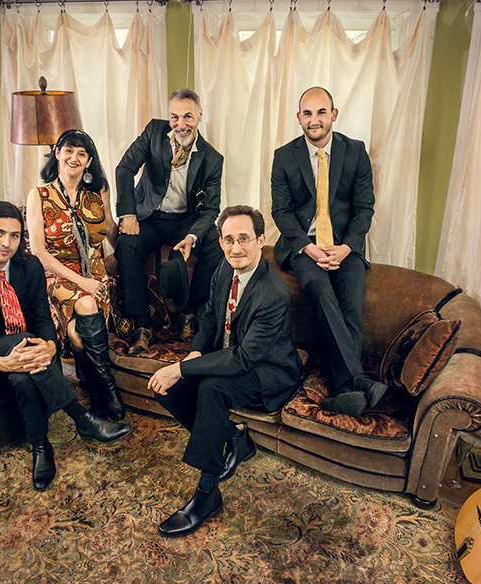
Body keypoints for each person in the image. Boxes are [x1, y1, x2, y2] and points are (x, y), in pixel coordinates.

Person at [0, 201, 132, 492]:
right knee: (21, 344)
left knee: (22, 375)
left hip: (30, 350)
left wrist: (50, 347)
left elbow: (43, 318)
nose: (7, 243)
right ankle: (83, 419)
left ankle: (41, 448)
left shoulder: (28, 266)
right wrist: (2, 362)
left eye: (15, 235)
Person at [149, 205, 302, 538]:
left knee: (210, 389)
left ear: (261, 240)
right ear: (220, 242)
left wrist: (182, 367)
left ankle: (207, 496)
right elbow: (209, 320)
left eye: (244, 239)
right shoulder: (224, 269)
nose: (236, 248)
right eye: (229, 240)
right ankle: (235, 438)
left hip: (270, 369)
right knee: (166, 388)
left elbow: (245, 358)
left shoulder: (273, 292)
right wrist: (194, 352)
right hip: (229, 356)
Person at [270, 86, 387, 418]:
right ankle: (357, 380)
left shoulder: (355, 152)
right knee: (319, 287)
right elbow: (282, 212)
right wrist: (309, 248)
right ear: (299, 118)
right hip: (303, 246)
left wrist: (346, 247)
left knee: (351, 299)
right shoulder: (284, 156)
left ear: (333, 114)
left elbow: (364, 207)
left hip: (345, 246)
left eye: (321, 112)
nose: (314, 120)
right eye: (307, 113)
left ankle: (343, 390)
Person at [25, 129, 126, 422]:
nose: (74, 158)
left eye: (82, 153)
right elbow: (39, 252)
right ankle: (109, 390)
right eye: (69, 150)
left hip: (95, 276)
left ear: (89, 160)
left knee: (78, 335)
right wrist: (82, 282)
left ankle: (94, 391)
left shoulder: (97, 194)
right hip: (58, 276)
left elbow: (110, 231)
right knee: (86, 304)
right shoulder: (39, 196)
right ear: (57, 153)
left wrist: (130, 257)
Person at [115, 88, 225, 355]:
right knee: (125, 246)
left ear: (200, 115)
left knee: (215, 244)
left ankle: (190, 312)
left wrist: (192, 236)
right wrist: (128, 214)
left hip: (184, 221)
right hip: (149, 216)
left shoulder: (212, 158)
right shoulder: (154, 132)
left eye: (188, 116)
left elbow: (211, 209)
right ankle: (142, 326)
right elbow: (125, 168)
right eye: (174, 117)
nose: (180, 124)